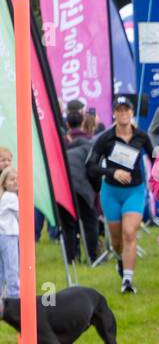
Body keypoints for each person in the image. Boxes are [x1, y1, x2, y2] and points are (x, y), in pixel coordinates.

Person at [89, 95, 155, 293]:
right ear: (114, 113)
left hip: (134, 191)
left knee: (129, 233)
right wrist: (112, 172)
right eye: (119, 110)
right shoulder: (106, 138)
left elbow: (154, 157)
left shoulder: (141, 136)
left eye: (126, 110)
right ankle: (120, 259)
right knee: (117, 240)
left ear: (132, 112)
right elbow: (91, 165)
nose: (123, 113)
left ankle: (127, 281)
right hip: (111, 192)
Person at [62, 107, 101, 263]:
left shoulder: (62, 145)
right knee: (90, 222)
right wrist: (95, 192)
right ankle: (93, 257)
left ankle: (72, 258)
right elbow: (94, 171)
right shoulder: (89, 145)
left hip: (64, 189)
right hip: (82, 188)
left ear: (68, 125)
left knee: (68, 225)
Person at [0, 167, 17, 298]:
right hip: (9, 236)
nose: (15, 182)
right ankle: (14, 297)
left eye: (17, 179)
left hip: (3, 235)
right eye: (11, 179)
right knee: (12, 268)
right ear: (4, 182)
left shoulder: (3, 196)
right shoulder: (11, 197)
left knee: (1, 269)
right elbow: (22, 216)